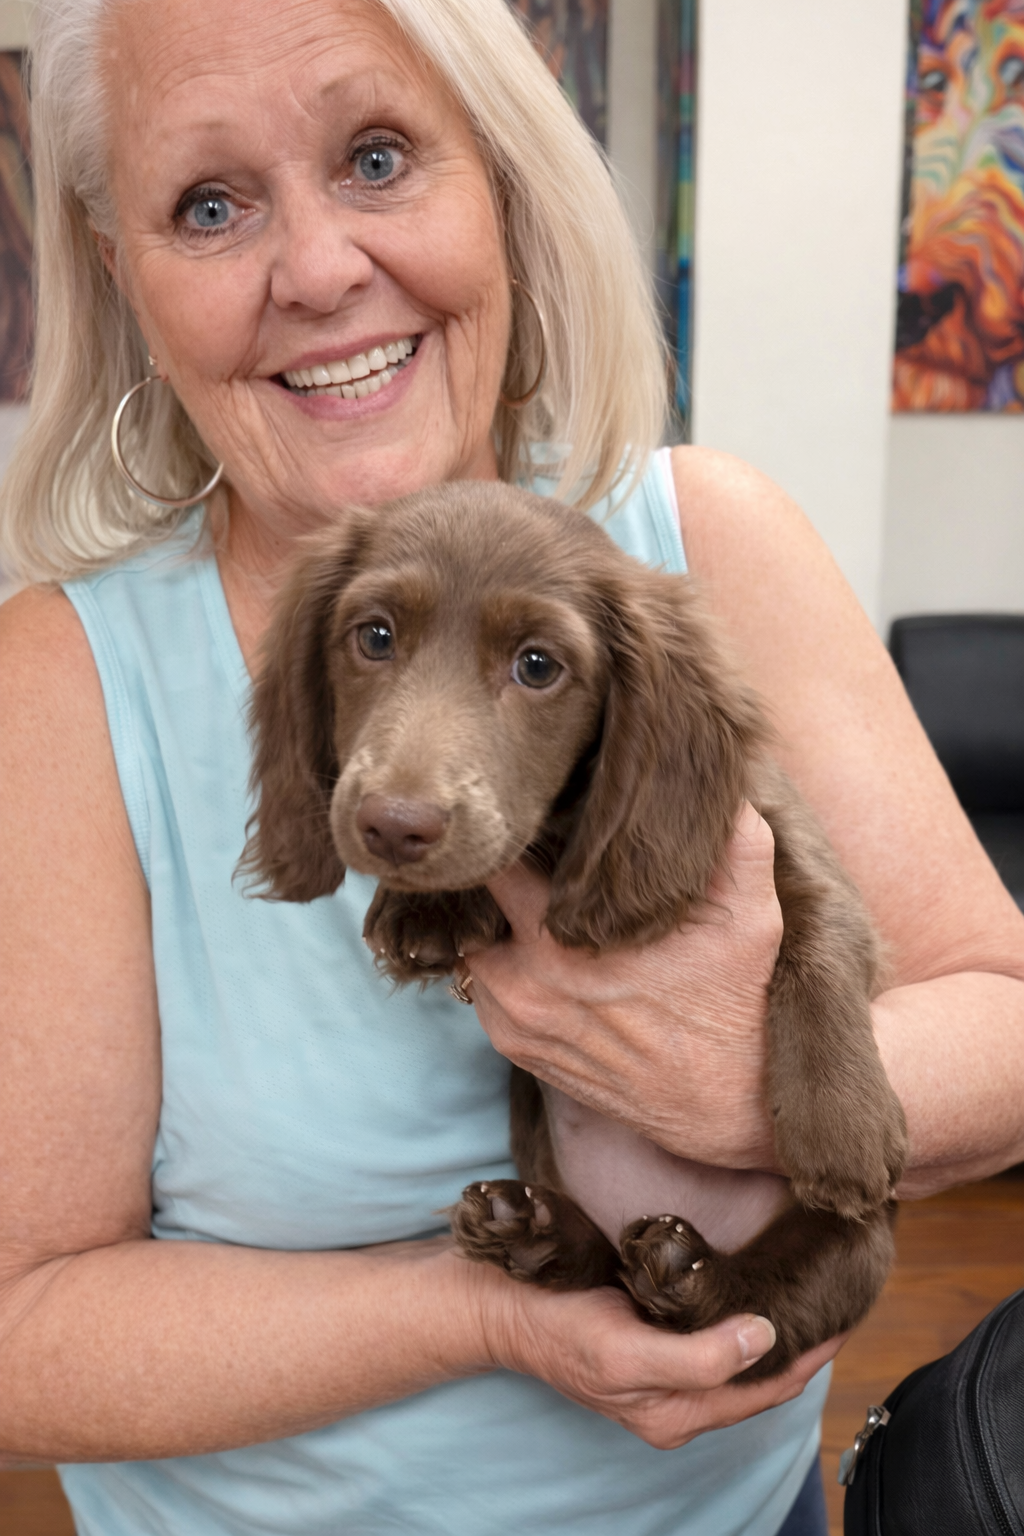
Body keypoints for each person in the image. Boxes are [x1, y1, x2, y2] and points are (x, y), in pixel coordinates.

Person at [0, 0, 1022, 1532]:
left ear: (501, 180)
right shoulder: (57, 685)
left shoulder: (710, 547)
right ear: (115, 265)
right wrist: (486, 1312)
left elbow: (1007, 1024)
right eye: (209, 205)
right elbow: (22, 1329)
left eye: (380, 156)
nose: (321, 271)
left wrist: (735, 1083)